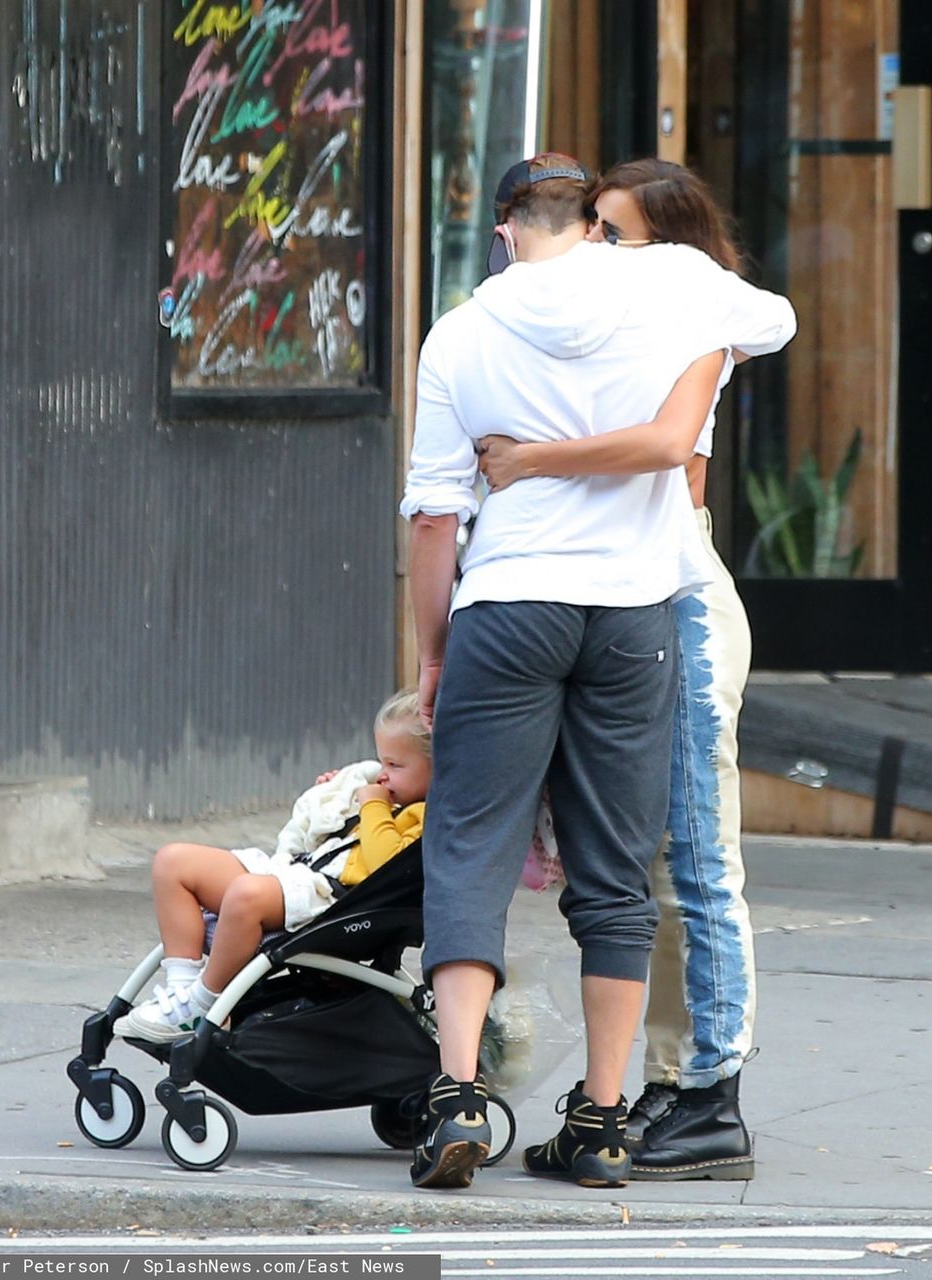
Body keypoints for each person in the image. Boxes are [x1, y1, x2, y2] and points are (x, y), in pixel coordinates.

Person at [402, 153, 795, 1191]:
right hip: (632, 612)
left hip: (509, 601)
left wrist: (435, 651)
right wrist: (677, 297)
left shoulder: (462, 330)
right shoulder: (666, 287)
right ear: (587, 223)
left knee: (471, 845)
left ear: (503, 227)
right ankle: (604, 1116)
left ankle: (452, 1094)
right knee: (617, 870)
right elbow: (774, 323)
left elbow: (436, 516)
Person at [113, 690, 429, 1044]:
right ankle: (182, 993)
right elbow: (308, 841)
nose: (382, 775)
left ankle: (208, 998)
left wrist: (372, 807)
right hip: (297, 872)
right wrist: (332, 799)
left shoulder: (425, 815)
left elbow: (386, 862)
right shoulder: (381, 793)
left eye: (395, 766)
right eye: (381, 762)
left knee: (246, 894)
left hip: (332, 903)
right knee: (173, 862)